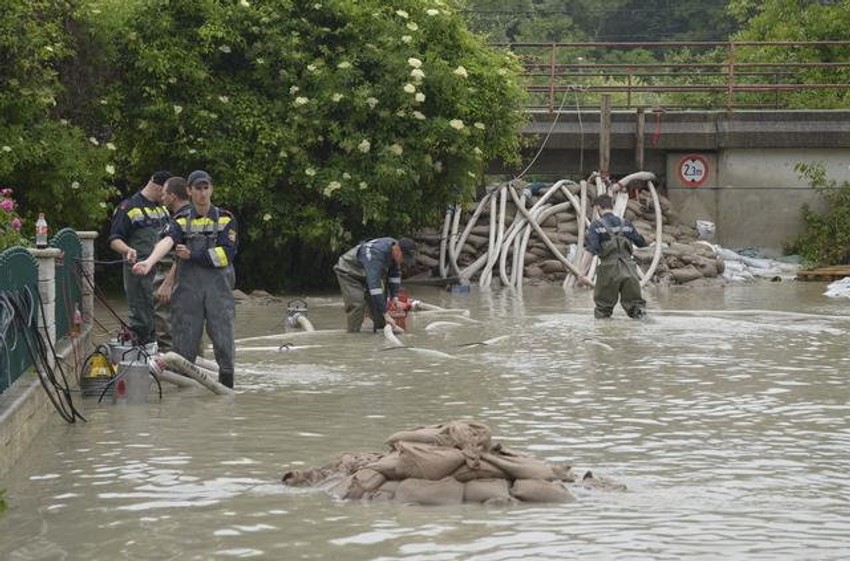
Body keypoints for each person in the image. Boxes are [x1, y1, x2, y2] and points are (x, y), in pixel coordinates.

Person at [132, 170, 238, 388]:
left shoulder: (226, 219)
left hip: (218, 293)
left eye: (206, 188)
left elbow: (225, 255)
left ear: (211, 189)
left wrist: (193, 255)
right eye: (198, 189)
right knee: (183, 348)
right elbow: (168, 241)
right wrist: (149, 262)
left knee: (224, 345)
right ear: (189, 191)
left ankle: (227, 391)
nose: (202, 193)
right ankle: (186, 404)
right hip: (188, 294)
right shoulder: (180, 221)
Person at [108, 170, 172, 344]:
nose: (167, 197)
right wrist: (127, 250)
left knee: (164, 322)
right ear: (159, 188)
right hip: (139, 274)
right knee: (142, 321)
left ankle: (163, 359)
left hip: (162, 275)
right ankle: (142, 359)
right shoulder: (129, 207)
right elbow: (114, 239)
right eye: (166, 192)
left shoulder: (163, 209)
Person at [579, 194, 648, 319]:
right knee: (637, 310)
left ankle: (605, 336)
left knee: (603, 310)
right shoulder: (626, 223)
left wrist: (582, 273)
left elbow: (591, 250)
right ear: (611, 206)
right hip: (629, 270)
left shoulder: (597, 225)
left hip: (608, 272)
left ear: (599, 208)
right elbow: (641, 243)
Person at [333, 237, 417, 333]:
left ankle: (380, 333)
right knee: (358, 305)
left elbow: (394, 275)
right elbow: (375, 288)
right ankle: (353, 338)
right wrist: (386, 314)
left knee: (379, 309)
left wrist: (394, 298)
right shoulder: (376, 254)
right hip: (349, 272)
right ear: (397, 249)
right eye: (403, 257)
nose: (403, 261)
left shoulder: (394, 252)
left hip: (366, 273)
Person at [153, 176, 192, 353]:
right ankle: (190, 371)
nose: (162, 198)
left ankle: (174, 371)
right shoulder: (189, 216)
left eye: (164, 194)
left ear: (173, 197)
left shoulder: (183, 220)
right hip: (179, 279)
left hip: (173, 278)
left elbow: (183, 255)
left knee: (167, 330)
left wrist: (167, 283)